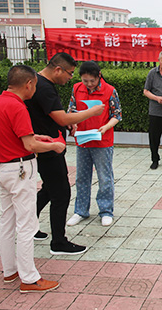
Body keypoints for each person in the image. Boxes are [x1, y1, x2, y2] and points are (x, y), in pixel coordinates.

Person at [0, 64, 65, 292]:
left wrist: (38, 137)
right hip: (19, 169)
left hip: (2, 169)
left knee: (7, 221)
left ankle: (10, 270)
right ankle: (29, 278)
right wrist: (55, 146)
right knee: (27, 224)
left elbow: (16, 136)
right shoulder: (18, 107)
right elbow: (29, 145)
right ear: (29, 84)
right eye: (35, 85)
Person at [25, 52, 104, 255]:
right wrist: (92, 112)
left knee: (49, 189)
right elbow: (60, 118)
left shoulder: (40, 83)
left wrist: (66, 124)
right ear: (58, 69)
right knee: (61, 193)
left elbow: (52, 116)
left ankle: (29, 226)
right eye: (69, 73)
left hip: (48, 143)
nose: (70, 78)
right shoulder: (44, 88)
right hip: (49, 148)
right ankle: (59, 242)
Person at [66, 61, 122, 228]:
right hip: (83, 140)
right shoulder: (77, 89)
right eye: (85, 81)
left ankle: (106, 211)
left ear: (99, 76)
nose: (89, 84)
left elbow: (117, 115)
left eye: (92, 80)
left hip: (102, 141)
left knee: (105, 177)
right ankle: (81, 210)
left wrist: (106, 127)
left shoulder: (109, 90)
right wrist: (72, 123)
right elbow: (71, 110)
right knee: (82, 177)